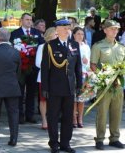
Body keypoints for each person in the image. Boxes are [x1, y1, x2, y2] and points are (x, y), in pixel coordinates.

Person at [41, 18, 82, 153]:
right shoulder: (50, 45)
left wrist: (79, 85)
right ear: (57, 29)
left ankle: (65, 143)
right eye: (64, 27)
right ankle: (54, 143)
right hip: (54, 87)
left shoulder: (74, 44)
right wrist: (45, 88)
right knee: (52, 116)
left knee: (68, 116)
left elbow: (78, 67)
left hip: (69, 87)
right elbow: (45, 68)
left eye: (68, 27)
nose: (67, 29)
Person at [90, 20, 125, 150]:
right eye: (111, 29)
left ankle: (114, 138)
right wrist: (104, 77)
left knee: (117, 112)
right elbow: (93, 65)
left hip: (118, 85)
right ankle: (99, 139)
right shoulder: (98, 46)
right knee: (102, 113)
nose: (114, 31)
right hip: (104, 86)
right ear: (105, 30)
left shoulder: (122, 47)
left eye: (116, 29)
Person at [10, 13, 43, 124]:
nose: (29, 21)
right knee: (20, 92)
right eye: (27, 19)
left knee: (31, 92)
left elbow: (41, 47)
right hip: (21, 67)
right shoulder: (15, 33)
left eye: (31, 19)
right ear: (22, 20)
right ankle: (20, 115)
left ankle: (30, 115)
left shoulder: (36, 33)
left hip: (33, 67)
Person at [35, 27, 57, 130]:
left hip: (57, 78)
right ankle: (44, 119)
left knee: (54, 99)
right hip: (44, 78)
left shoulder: (59, 46)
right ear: (49, 35)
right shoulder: (42, 47)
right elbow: (38, 63)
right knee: (43, 99)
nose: (57, 36)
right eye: (55, 34)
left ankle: (52, 119)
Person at [72, 27, 90, 128]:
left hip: (84, 74)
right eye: (78, 34)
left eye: (82, 34)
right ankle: (74, 118)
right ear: (74, 35)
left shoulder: (86, 46)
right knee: (74, 99)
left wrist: (89, 71)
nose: (80, 36)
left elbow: (89, 59)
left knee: (82, 99)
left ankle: (80, 118)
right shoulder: (71, 46)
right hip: (74, 75)